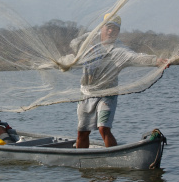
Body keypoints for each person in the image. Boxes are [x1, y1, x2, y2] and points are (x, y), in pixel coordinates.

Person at [71, 13, 168, 148]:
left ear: (118, 32)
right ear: (102, 28)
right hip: (87, 94)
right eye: (109, 27)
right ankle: (80, 158)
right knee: (83, 132)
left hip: (107, 94)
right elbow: (74, 44)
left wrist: (156, 61)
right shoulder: (89, 40)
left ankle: (114, 158)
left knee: (103, 128)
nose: (111, 31)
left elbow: (136, 57)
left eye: (115, 29)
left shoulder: (119, 50)